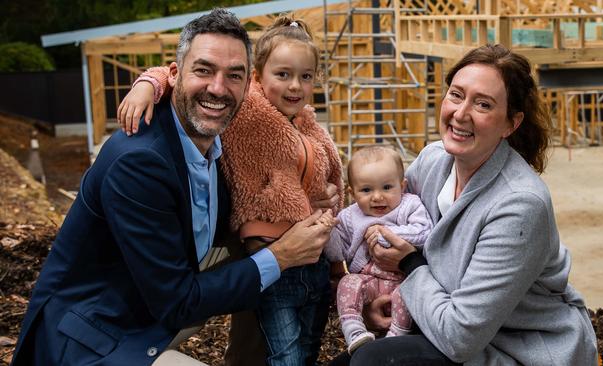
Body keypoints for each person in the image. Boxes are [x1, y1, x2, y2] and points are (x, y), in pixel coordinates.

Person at [11, 8, 335, 366]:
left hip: (153, 306)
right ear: (176, 74)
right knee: (267, 261)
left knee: (254, 256)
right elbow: (177, 302)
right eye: (203, 70)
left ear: (248, 85)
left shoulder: (224, 138)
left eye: (233, 76)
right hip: (96, 335)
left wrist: (307, 202)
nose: (217, 88)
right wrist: (282, 255)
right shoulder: (138, 162)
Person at [330, 44, 599, 365]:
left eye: (483, 104)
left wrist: (410, 265)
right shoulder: (432, 162)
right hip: (443, 324)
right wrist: (375, 301)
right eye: (456, 95)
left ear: (511, 124)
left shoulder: (519, 205)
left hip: (517, 347)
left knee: (373, 361)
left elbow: (459, 338)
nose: (460, 113)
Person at [117, 15, 344, 366]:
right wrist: (147, 83)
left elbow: (317, 176)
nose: (295, 85)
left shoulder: (306, 123)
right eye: (283, 75)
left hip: (302, 259)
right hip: (256, 247)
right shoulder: (245, 107)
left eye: (306, 76)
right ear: (257, 77)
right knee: (274, 346)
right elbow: (183, 74)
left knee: (302, 345)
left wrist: (321, 202)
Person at [323, 146, 432, 354]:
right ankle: (354, 330)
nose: (377, 197)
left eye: (387, 187)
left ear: (402, 186)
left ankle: (397, 336)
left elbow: (424, 232)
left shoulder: (409, 205)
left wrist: (387, 233)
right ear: (352, 193)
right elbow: (340, 253)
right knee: (348, 282)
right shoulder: (349, 217)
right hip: (369, 282)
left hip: (402, 280)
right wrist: (329, 231)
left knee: (407, 293)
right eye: (366, 190)